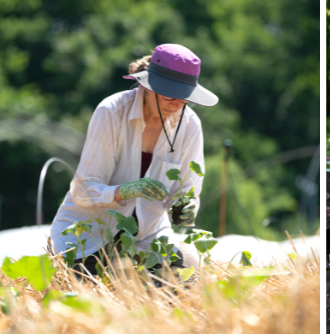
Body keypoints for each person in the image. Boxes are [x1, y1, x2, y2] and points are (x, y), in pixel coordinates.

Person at [50, 44, 219, 276]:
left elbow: (187, 191)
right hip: (88, 236)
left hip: (150, 236)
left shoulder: (190, 125)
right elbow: (82, 190)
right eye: (170, 94)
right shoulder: (111, 112)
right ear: (147, 86)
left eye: (185, 97)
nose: (177, 104)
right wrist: (124, 191)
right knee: (95, 300)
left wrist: (185, 207)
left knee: (177, 291)